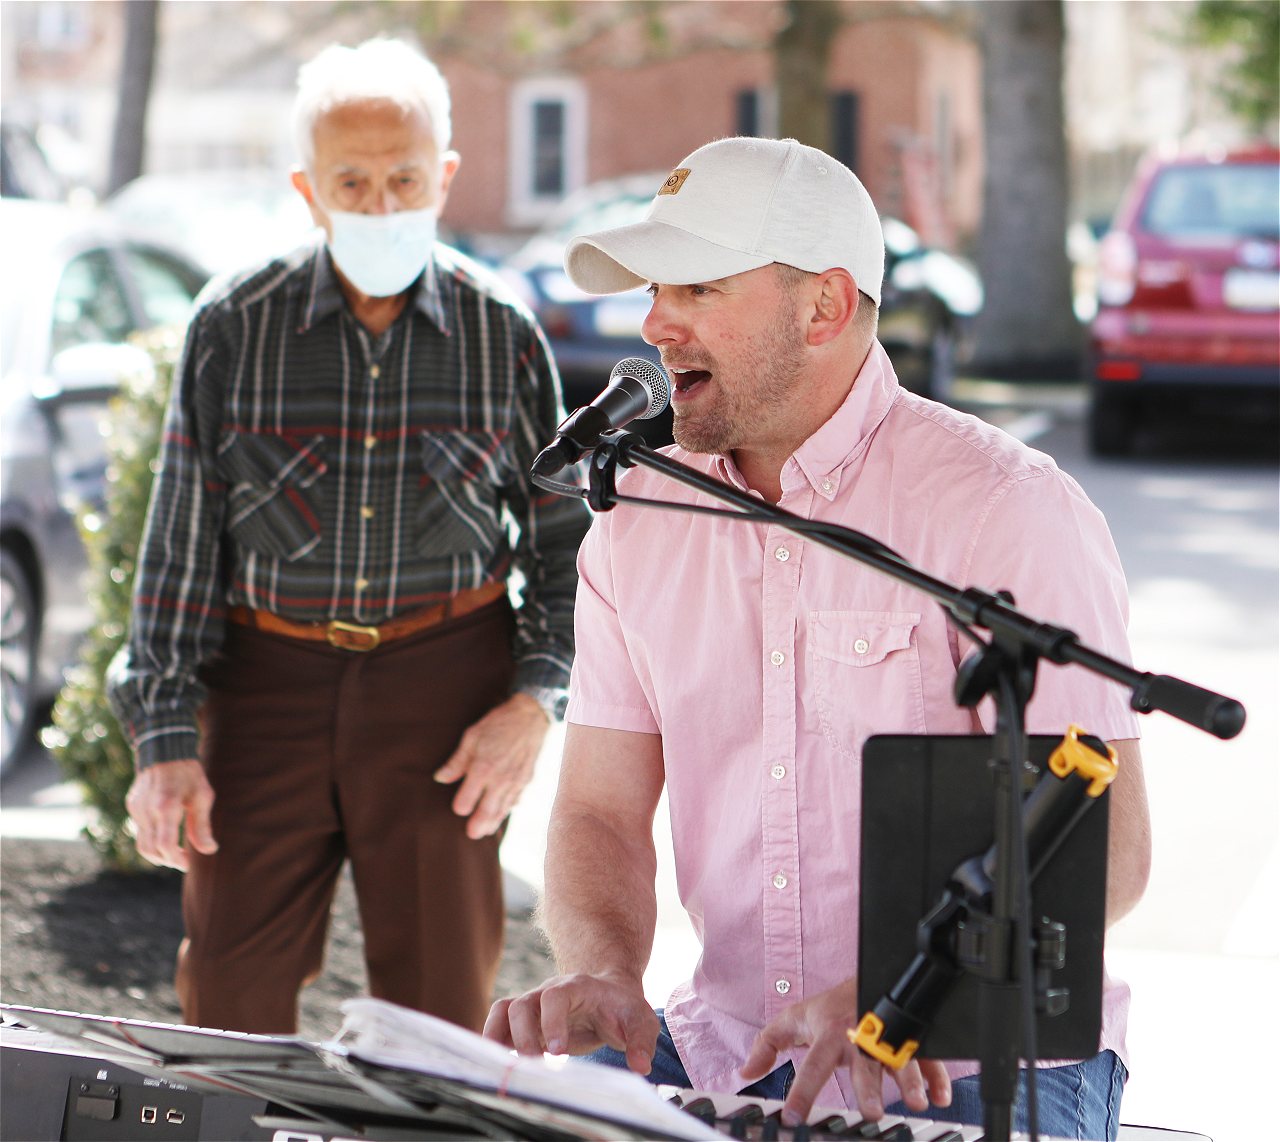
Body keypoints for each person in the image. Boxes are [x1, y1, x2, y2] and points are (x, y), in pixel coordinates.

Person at [484, 137, 1151, 1140]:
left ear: (824, 307)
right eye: (656, 290)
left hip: (972, 1049)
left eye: (699, 287)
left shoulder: (1009, 511)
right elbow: (596, 812)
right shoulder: (636, 521)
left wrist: (897, 994)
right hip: (733, 1045)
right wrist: (600, 970)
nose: (655, 324)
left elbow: (1108, 853)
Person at [107, 38, 589, 1036]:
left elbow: (565, 547)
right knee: (227, 1001)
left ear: (443, 176)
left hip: (443, 692)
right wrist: (161, 740)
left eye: (403, 179)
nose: (379, 205)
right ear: (307, 187)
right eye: (352, 182)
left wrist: (532, 702)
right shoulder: (232, 326)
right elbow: (179, 549)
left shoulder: (504, 334)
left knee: (439, 1010)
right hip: (262, 685)